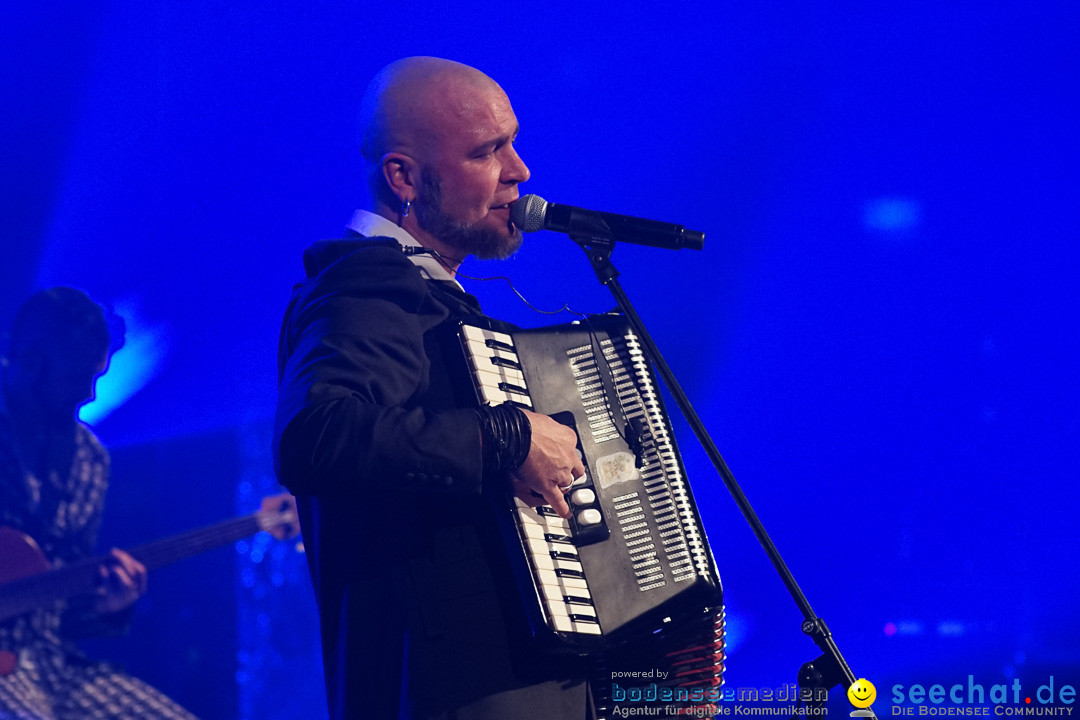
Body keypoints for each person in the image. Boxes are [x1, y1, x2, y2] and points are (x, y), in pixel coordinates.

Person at [273, 57, 594, 719]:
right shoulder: (365, 284)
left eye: (512, 141)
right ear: (404, 177)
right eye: (487, 151)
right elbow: (314, 435)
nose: (520, 170)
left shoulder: (423, 290)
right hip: (463, 687)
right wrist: (511, 436)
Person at [0, 286, 197, 720]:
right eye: (77, 378)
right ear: (29, 362)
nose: (90, 394)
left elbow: (61, 605)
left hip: (52, 666)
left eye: (97, 377)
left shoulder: (89, 462)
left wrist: (111, 605)